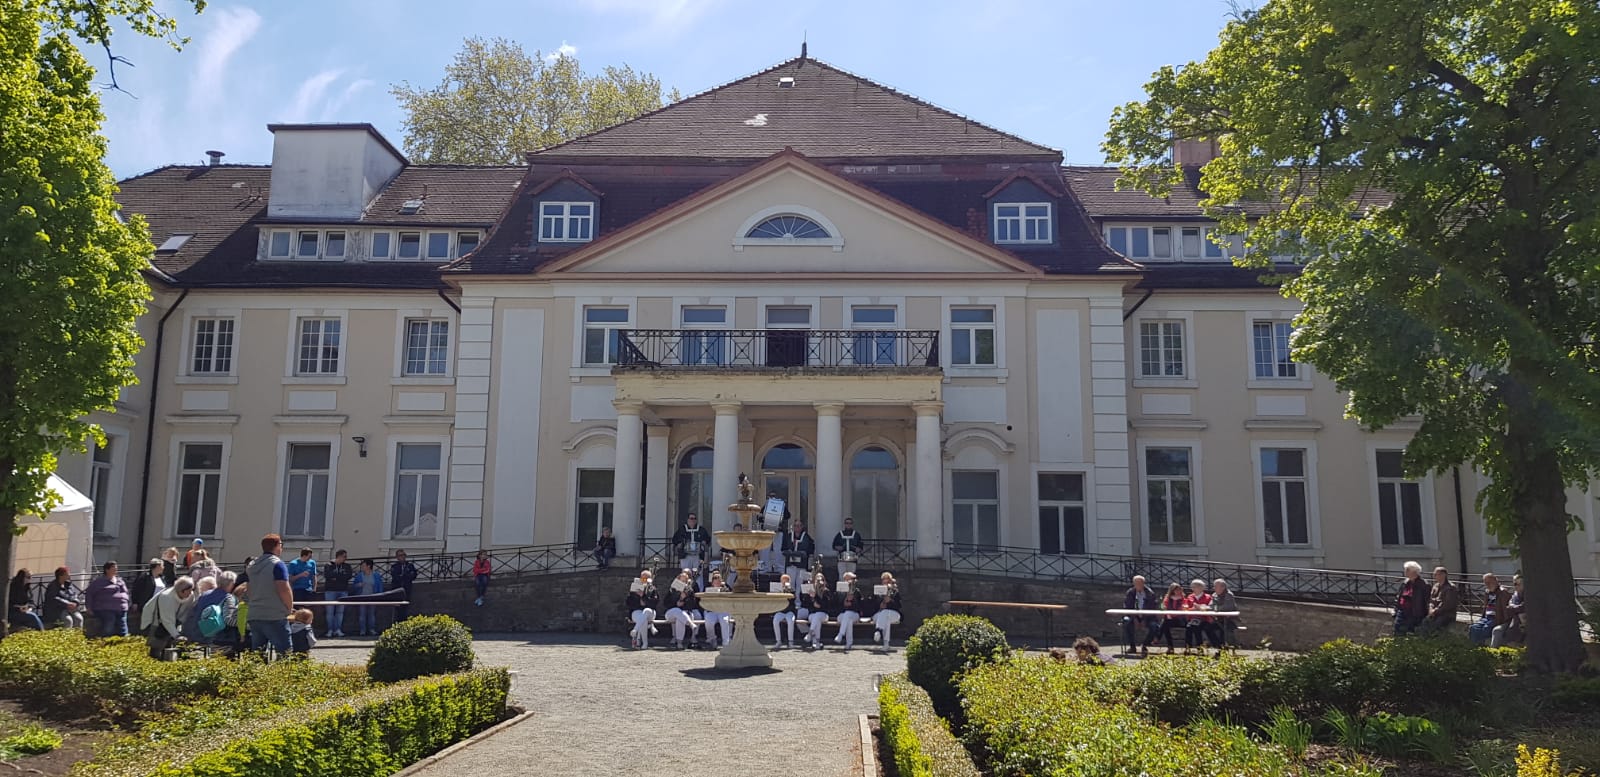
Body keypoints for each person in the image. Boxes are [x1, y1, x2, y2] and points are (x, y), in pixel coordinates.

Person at [245, 534, 295, 658]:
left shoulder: (252, 565)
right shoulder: (277, 564)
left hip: (255, 614)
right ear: (277, 546)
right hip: (274, 615)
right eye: (281, 545)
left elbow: (249, 589)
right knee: (284, 653)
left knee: (257, 654)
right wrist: (289, 608)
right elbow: (283, 589)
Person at [141, 577, 195, 659]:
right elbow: (167, 620)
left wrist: (179, 626)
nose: (191, 593)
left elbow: (186, 612)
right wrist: (177, 635)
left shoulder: (190, 595)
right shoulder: (166, 597)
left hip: (174, 619)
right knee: (157, 644)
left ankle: (168, 659)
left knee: (171, 643)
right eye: (189, 591)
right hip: (157, 620)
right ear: (182, 591)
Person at [193, 571, 240, 652]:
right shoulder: (228, 598)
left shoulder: (204, 595)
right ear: (231, 584)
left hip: (201, 634)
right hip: (221, 638)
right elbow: (229, 619)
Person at [85, 561, 131, 637]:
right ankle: (106, 638)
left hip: (120, 607)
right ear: (107, 570)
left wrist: (127, 602)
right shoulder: (98, 582)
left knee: (122, 624)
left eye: (116, 569)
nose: (116, 571)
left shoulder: (120, 581)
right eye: (113, 569)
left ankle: (124, 638)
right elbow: (89, 594)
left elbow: (125, 592)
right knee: (109, 622)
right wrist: (89, 607)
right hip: (105, 607)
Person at [1120, 575, 1160, 657]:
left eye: (1140, 583)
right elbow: (1127, 606)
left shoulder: (1150, 593)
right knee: (1126, 621)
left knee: (1154, 626)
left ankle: (1145, 645)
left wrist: (1144, 619)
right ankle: (1132, 646)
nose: (1138, 585)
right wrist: (1134, 618)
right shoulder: (1130, 592)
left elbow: (1152, 608)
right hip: (1133, 615)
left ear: (1143, 583)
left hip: (1147, 616)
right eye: (1136, 583)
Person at [663, 569, 703, 649]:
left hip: (684, 613)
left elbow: (692, 604)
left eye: (685, 581)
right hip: (671, 612)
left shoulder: (690, 590)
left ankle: (679, 642)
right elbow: (666, 603)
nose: (683, 582)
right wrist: (676, 603)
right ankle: (691, 624)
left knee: (680, 618)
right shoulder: (672, 589)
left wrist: (684, 600)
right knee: (677, 610)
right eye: (681, 580)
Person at [1469, 572, 1512, 647]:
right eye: (1486, 583)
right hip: (1487, 617)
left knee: (1486, 629)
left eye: (1489, 582)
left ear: (1495, 581)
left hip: (1496, 618)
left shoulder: (1502, 592)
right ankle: (1474, 647)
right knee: (1473, 628)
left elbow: (1506, 609)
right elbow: (1485, 606)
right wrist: (1482, 617)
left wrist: (1505, 621)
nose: (1488, 585)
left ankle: (1480, 646)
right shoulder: (1487, 592)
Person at [834, 572, 872, 650]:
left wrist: (853, 601)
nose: (849, 581)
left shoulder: (857, 591)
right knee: (848, 619)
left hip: (854, 614)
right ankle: (848, 642)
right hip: (842, 615)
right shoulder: (840, 591)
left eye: (850, 579)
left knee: (848, 615)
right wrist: (844, 603)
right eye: (846, 579)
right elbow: (836, 605)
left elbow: (861, 606)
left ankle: (841, 634)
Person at [1420, 566, 1460, 636]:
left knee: (1437, 624)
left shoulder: (1450, 588)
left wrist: (1435, 611)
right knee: (1425, 621)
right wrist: (1430, 609)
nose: (1434, 576)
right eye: (1434, 574)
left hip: (1447, 614)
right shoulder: (1435, 586)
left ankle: (1435, 639)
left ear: (1443, 575)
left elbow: (1447, 604)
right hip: (1435, 613)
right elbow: (1431, 599)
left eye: (1436, 574)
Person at [1394, 561, 1429, 635]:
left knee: (1411, 632)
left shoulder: (1423, 584)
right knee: (1398, 630)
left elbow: (1427, 600)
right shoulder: (1405, 582)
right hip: (1402, 611)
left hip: (1414, 613)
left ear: (1414, 572)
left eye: (1407, 570)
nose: (1405, 571)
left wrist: (1425, 613)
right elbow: (1399, 596)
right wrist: (1395, 609)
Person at [672, 513, 711, 583]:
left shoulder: (701, 530)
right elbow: (675, 539)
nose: (693, 520)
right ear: (687, 520)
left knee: (698, 573)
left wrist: (704, 542)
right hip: (685, 556)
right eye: (691, 518)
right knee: (685, 573)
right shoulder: (682, 529)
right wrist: (679, 544)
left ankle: (698, 588)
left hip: (697, 556)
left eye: (694, 518)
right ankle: (685, 587)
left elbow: (707, 539)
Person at [323, 550, 353, 637]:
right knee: (330, 612)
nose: (345, 558)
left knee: (340, 612)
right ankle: (330, 630)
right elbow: (328, 575)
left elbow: (348, 576)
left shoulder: (347, 566)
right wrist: (340, 576)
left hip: (343, 591)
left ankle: (338, 629)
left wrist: (336, 577)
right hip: (330, 591)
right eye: (344, 556)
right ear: (339, 556)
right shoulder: (329, 565)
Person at [626, 570, 659, 649]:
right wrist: (638, 599)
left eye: (646, 578)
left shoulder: (653, 589)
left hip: (650, 612)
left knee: (646, 611)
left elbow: (655, 603)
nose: (644, 580)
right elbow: (629, 603)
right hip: (637, 611)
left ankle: (635, 630)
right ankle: (644, 643)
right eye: (642, 578)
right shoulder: (634, 589)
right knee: (643, 620)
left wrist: (644, 597)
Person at [351, 559, 384, 636]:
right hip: (362, 597)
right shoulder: (359, 575)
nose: (362, 567)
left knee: (372, 614)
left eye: (363, 565)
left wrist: (380, 596)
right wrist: (359, 585)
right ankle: (362, 630)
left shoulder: (376, 575)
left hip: (373, 597)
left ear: (368, 566)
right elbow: (354, 586)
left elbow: (379, 586)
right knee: (362, 614)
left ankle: (371, 629)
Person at [1182, 579, 1215, 653]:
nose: (1192, 589)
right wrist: (1193, 609)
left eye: (1194, 587)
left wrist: (1200, 607)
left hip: (1204, 619)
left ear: (1201, 588)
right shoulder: (1190, 597)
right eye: (1192, 587)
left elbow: (1210, 608)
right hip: (1192, 618)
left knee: (1197, 628)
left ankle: (1200, 648)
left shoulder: (1208, 597)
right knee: (1189, 628)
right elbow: (1186, 608)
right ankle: (1188, 648)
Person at [781, 519, 815, 592]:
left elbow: (809, 551)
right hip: (790, 565)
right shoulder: (789, 536)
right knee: (790, 584)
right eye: (795, 526)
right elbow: (783, 550)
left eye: (799, 526)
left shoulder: (806, 537)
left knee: (800, 584)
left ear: (802, 527)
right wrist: (789, 553)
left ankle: (798, 599)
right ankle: (791, 598)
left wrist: (799, 553)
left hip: (801, 565)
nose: (797, 527)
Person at [871, 572, 902, 649]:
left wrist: (890, 601)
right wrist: (880, 605)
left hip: (893, 614)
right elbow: (872, 605)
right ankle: (886, 643)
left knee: (886, 613)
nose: (885, 582)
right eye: (884, 580)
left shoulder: (895, 591)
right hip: (879, 615)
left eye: (887, 580)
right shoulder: (877, 592)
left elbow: (898, 606)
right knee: (886, 617)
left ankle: (878, 630)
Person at [803, 572, 832, 650]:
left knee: (817, 616)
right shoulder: (811, 590)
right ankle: (817, 643)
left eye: (820, 579)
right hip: (813, 614)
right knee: (816, 619)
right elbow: (806, 604)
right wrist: (809, 596)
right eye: (817, 579)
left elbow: (825, 605)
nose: (818, 581)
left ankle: (810, 634)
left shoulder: (826, 591)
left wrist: (816, 597)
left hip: (824, 614)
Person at [702, 571, 731, 647]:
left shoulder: (725, 588)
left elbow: (729, 595)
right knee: (708, 622)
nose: (717, 582)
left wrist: (723, 588)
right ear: (712, 582)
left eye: (718, 580)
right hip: (712, 611)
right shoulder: (708, 588)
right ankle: (712, 639)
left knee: (724, 621)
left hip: (723, 610)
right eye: (715, 580)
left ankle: (726, 643)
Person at [1210, 579, 1240, 652]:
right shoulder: (1214, 595)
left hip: (1230, 619)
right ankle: (1218, 646)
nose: (1214, 588)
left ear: (1223, 587)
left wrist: (1216, 608)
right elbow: (1211, 605)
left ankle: (1223, 649)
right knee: (1208, 627)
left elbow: (1227, 607)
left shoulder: (1229, 595)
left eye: (1216, 586)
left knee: (1223, 629)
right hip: (1218, 619)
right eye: (1214, 586)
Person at [1496, 574, 1526, 647]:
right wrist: (1515, 608)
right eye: (1514, 584)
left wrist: (1514, 608)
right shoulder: (1515, 594)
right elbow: (1509, 605)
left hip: (1526, 621)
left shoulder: (1528, 594)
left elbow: (1523, 607)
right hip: (1514, 619)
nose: (1516, 586)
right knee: (1497, 631)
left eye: (1519, 584)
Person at [770, 573, 798, 649]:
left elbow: (793, 597)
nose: (784, 582)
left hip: (789, 611)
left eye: (786, 580)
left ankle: (790, 642)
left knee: (791, 621)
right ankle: (778, 641)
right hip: (780, 610)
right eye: (783, 580)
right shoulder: (778, 589)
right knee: (775, 621)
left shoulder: (792, 589)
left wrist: (787, 590)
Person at [389, 551, 418, 622]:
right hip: (397, 590)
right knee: (398, 609)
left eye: (403, 555)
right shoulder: (394, 566)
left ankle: (404, 622)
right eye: (400, 555)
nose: (402, 557)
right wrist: (405, 576)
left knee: (405, 607)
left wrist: (404, 576)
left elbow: (413, 575)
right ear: (397, 557)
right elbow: (396, 577)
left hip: (407, 589)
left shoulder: (410, 566)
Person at [1159, 582, 1187, 654]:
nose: (1178, 591)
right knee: (1165, 625)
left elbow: (1183, 608)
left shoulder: (1183, 598)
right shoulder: (1167, 598)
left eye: (1179, 589)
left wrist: (1175, 614)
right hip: (1170, 619)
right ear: (1172, 591)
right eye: (1176, 590)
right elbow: (1164, 606)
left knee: (1164, 623)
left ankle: (1157, 638)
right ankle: (1170, 646)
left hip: (1180, 619)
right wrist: (1168, 613)